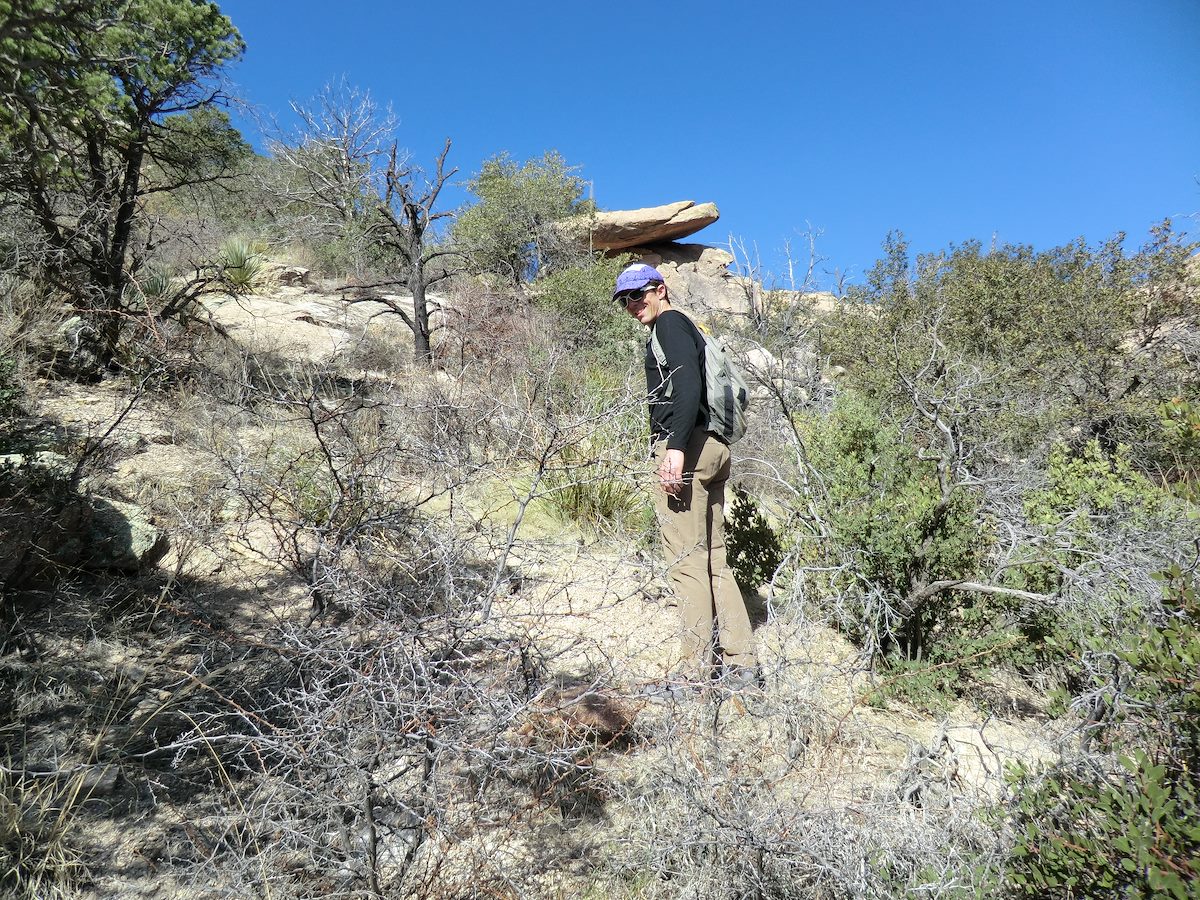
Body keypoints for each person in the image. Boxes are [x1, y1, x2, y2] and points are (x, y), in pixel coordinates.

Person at [613, 262, 758, 689]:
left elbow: (689, 385)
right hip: (712, 446)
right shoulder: (687, 327)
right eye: (625, 301)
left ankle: (694, 674)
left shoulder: (671, 324)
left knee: (686, 564)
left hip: (687, 448)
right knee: (714, 561)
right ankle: (742, 664)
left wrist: (673, 447)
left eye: (637, 296)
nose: (631, 306)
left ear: (660, 289)